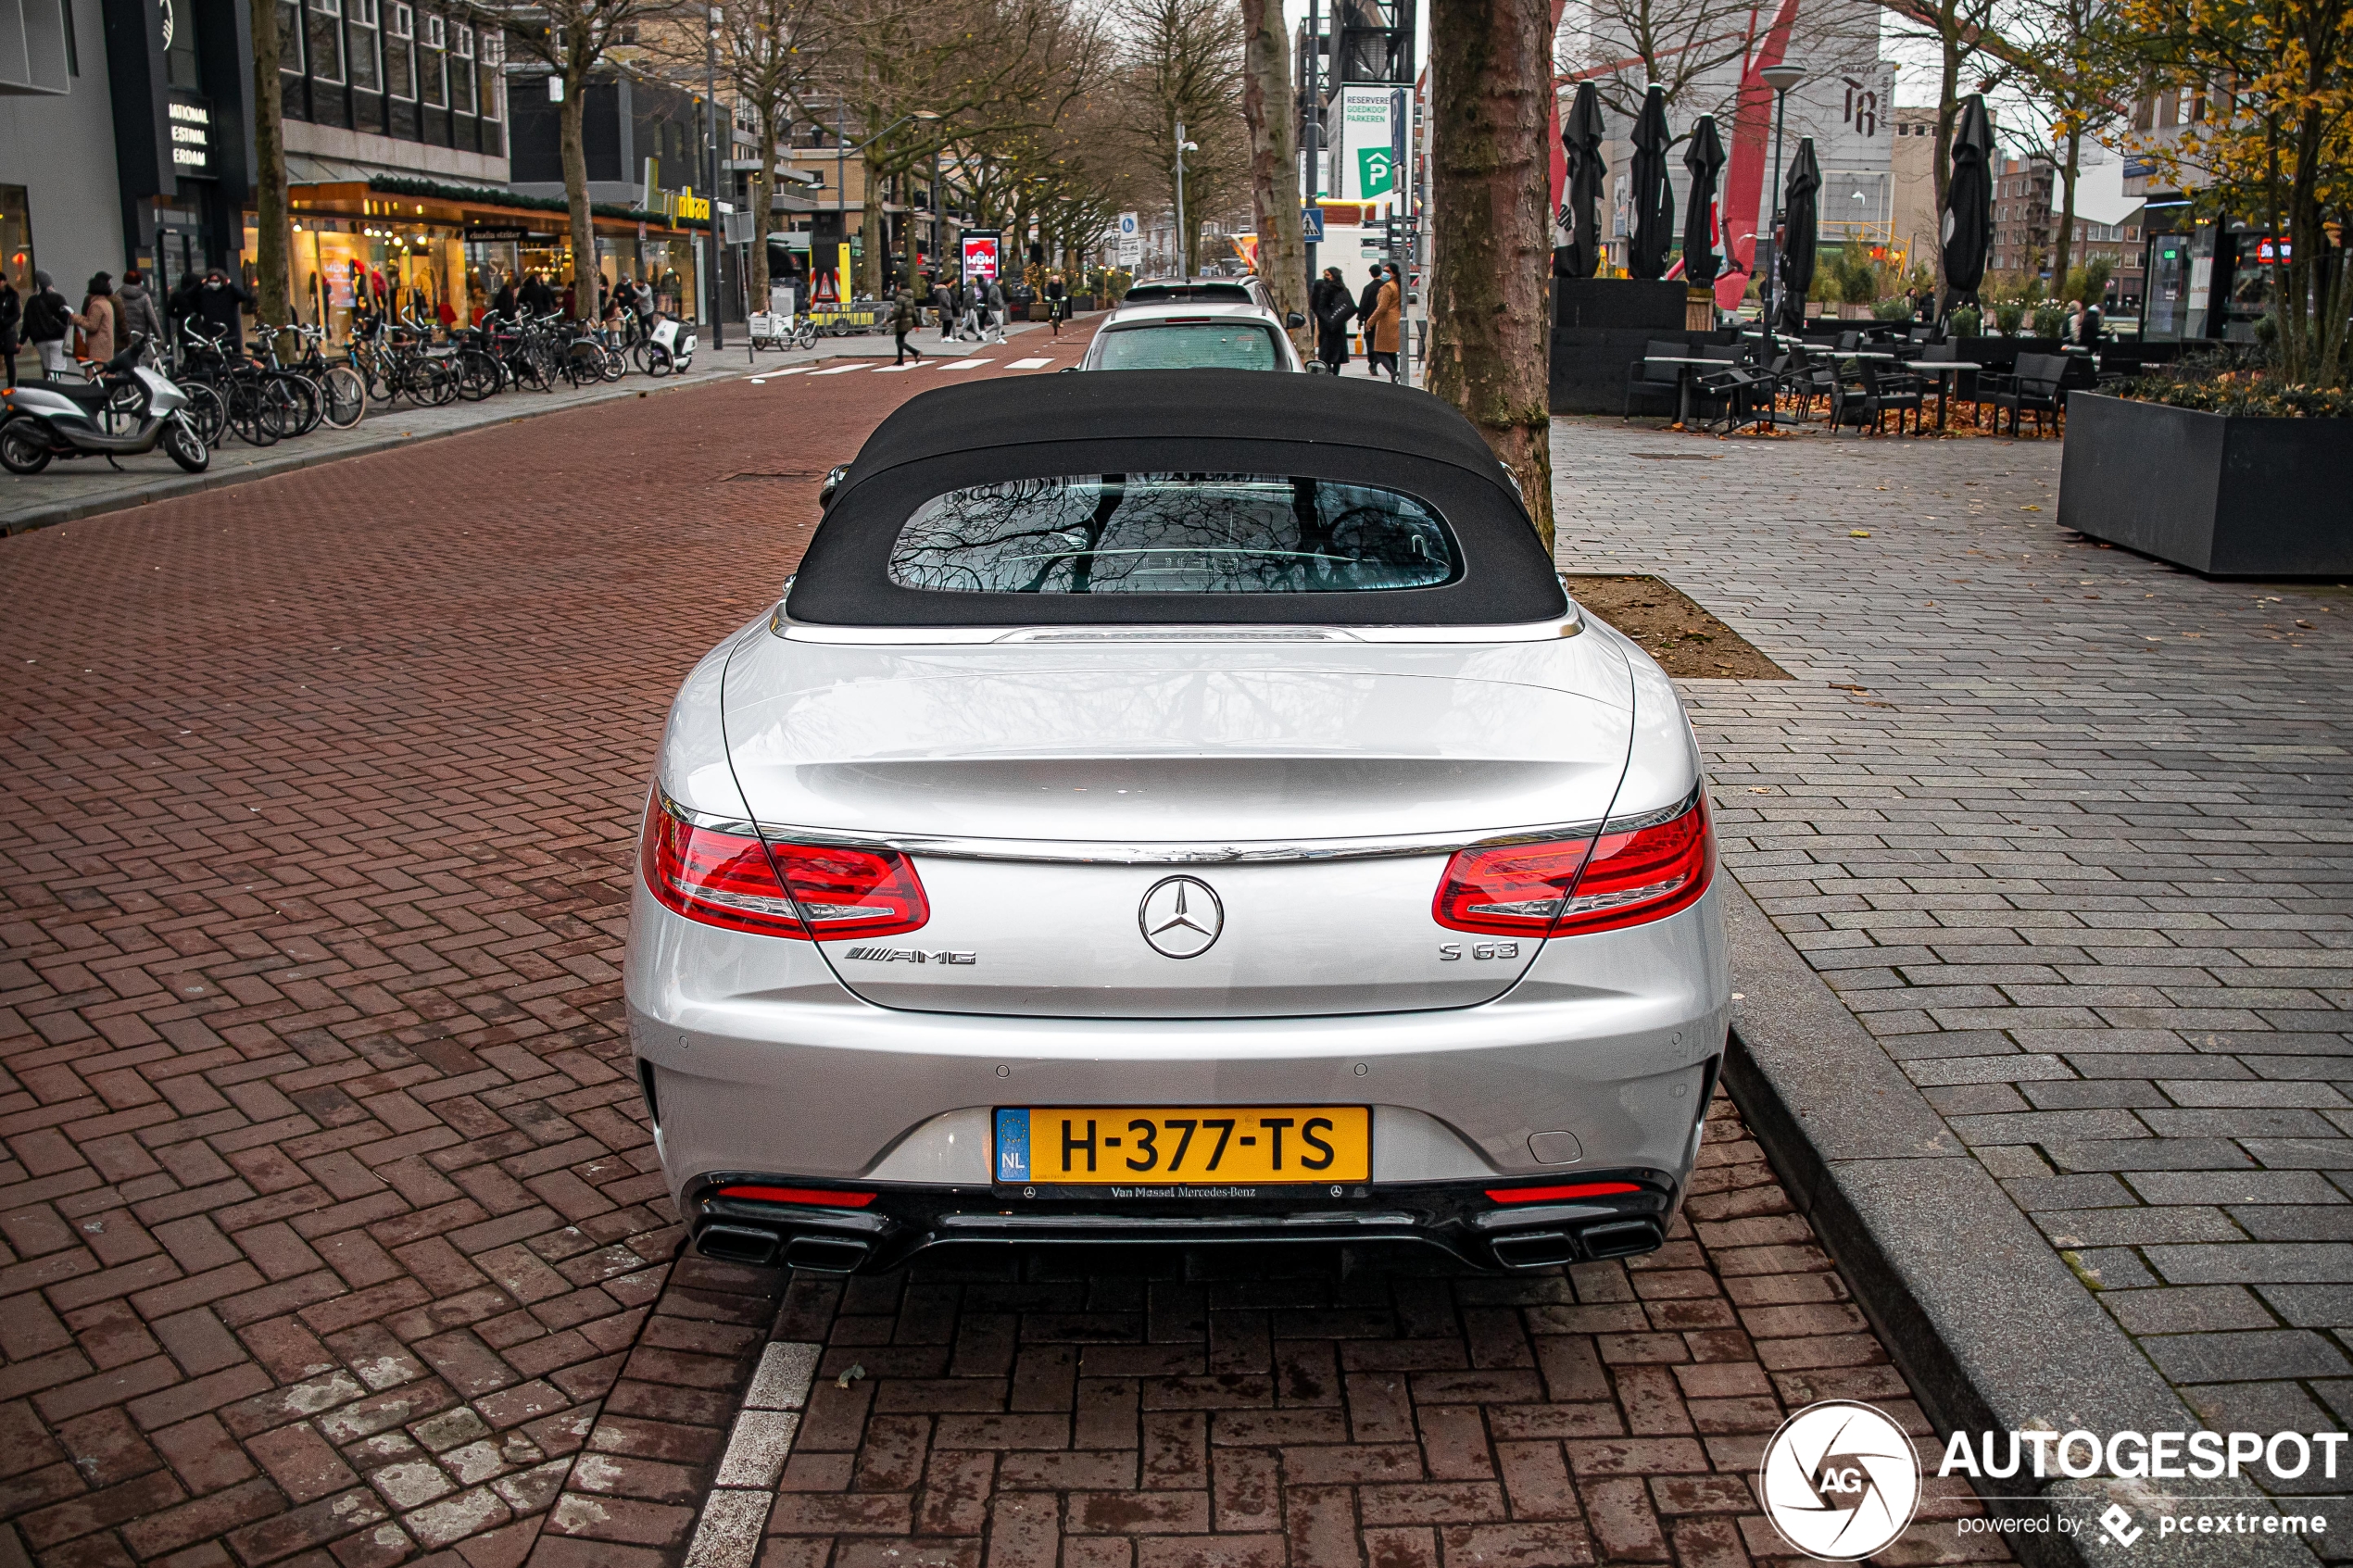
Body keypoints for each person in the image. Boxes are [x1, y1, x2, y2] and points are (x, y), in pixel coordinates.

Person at [21, 271, 72, 378]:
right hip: (57, 338)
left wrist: (21, 341)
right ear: (50, 284)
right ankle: (55, 390)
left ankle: (49, 387)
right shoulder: (57, 298)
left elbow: (27, 322)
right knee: (58, 368)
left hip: (39, 340)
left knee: (48, 367)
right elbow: (67, 318)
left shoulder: (31, 301)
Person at [1309, 265, 1354, 373]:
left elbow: (1320, 306)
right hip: (1337, 324)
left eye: (1328, 275)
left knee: (1327, 351)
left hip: (1328, 325)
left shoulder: (1326, 289)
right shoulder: (1343, 290)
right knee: (1335, 351)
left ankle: (1328, 370)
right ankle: (1334, 372)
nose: (1326, 277)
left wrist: (1326, 318)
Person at [71, 272, 119, 370]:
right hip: (106, 344)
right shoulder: (107, 303)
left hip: (98, 347)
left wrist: (77, 319)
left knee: (96, 373)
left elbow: (92, 326)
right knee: (106, 373)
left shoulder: (96, 305)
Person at [116, 269, 164, 360]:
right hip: (141, 336)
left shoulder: (118, 295)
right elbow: (152, 318)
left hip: (123, 336)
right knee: (140, 361)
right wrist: (159, 337)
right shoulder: (144, 296)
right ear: (139, 282)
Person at [1366, 265, 1401, 383]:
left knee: (1380, 350)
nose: (1385, 273)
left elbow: (1382, 308)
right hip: (1396, 320)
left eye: (1388, 271)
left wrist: (1370, 321)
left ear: (1394, 273)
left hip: (1386, 321)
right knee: (1391, 351)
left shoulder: (1387, 287)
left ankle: (1393, 372)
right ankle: (1394, 376)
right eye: (1384, 271)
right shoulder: (1397, 285)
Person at [1355, 266, 1386, 364]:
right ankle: (1378, 359)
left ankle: (1372, 361)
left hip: (1369, 318)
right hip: (1382, 318)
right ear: (1381, 273)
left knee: (1370, 341)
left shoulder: (1368, 288)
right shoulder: (1385, 287)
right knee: (1380, 341)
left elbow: (1363, 304)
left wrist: (1360, 320)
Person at [889, 282, 925, 365]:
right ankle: (900, 360)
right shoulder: (910, 298)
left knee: (899, 342)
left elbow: (897, 313)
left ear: (900, 287)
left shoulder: (899, 298)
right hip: (909, 322)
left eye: (897, 286)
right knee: (900, 340)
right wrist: (917, 324)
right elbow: (914, 311)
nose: (896, 287)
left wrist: (888, 320)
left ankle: (916, 352)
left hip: (902, 322)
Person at [0, 270, 19, 388]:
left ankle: (11, 385)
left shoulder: (12, 296)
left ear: (4, 282)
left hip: (7, 332)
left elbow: (16, 314)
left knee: (9, 360)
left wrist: (5, 322)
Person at [983, 275, 1007, 344]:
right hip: (995, 308)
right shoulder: (994, 287)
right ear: (999, 280)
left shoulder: (995, 287)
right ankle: (985, 332)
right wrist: (999, 304)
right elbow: (991, 297)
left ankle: (999, 337)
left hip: (997, 308)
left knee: (999, 323)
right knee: (999, 323)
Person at [931, 272, 956, 340]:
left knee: (946, 323)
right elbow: (944, 300)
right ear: (947, 284)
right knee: (949, 322)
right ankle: (946, 336)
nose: (950, 285)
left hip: (944, 309)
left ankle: (945, 336)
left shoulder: (942, 290)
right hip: (945, 309)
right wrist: (949, 306)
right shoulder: (943, 291)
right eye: (950, 284)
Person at [1045, 271, 1067, 337]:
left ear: (1058, 280)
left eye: (1056, 280)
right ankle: (1051, 318)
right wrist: (1047, 296)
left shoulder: (1061, 285)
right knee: (1050, 306)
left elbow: (1063, 291)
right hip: (1052, 298)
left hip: (1059, 299)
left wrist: (1063, 296)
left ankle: (1060, 322)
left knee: (1060, 309)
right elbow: (1047, 291)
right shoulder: (1050, 285)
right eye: (1054, 280)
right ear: (1052, 280)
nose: (1055, 281)